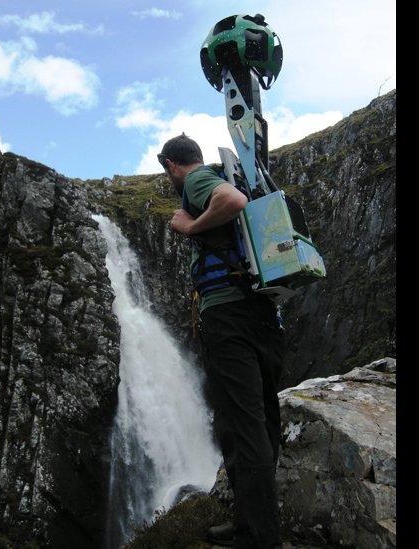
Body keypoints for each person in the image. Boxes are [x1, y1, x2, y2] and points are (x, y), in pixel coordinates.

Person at [159, 133, 284, 548]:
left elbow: (232, 202)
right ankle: (253, 521)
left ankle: (258, 536)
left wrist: (190, 225)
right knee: (263, 419)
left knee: (239, 424)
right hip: (261, 313)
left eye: (167, 171)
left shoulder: (196, 181)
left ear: (171, 165)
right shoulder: (229, 174)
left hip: (228, 315)